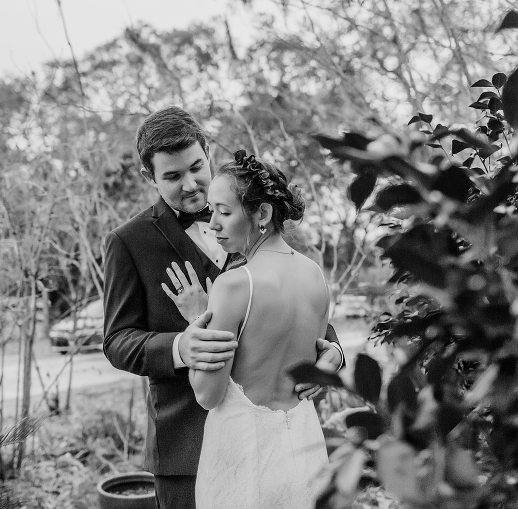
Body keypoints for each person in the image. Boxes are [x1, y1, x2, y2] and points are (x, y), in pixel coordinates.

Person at [102, 107, 344, 509]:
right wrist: (183, 346)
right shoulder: (129, 242)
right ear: (150, 177)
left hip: (270, 439)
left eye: (197, 166)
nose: (191, 184)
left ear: (208, 152)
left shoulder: (251, 219)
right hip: (185, 449)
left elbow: (290, 302)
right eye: (173, 176)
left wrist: (331, 352)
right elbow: (116, 340)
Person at [189, 150, 329, 509]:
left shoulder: (234, 285)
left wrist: (196, 322)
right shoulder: (315, 275)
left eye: (224, 211)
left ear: (262, 213)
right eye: (211, 211)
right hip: (304, 453)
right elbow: (320, 348)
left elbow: (208, 394)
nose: (213, 224)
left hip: (241, 461)